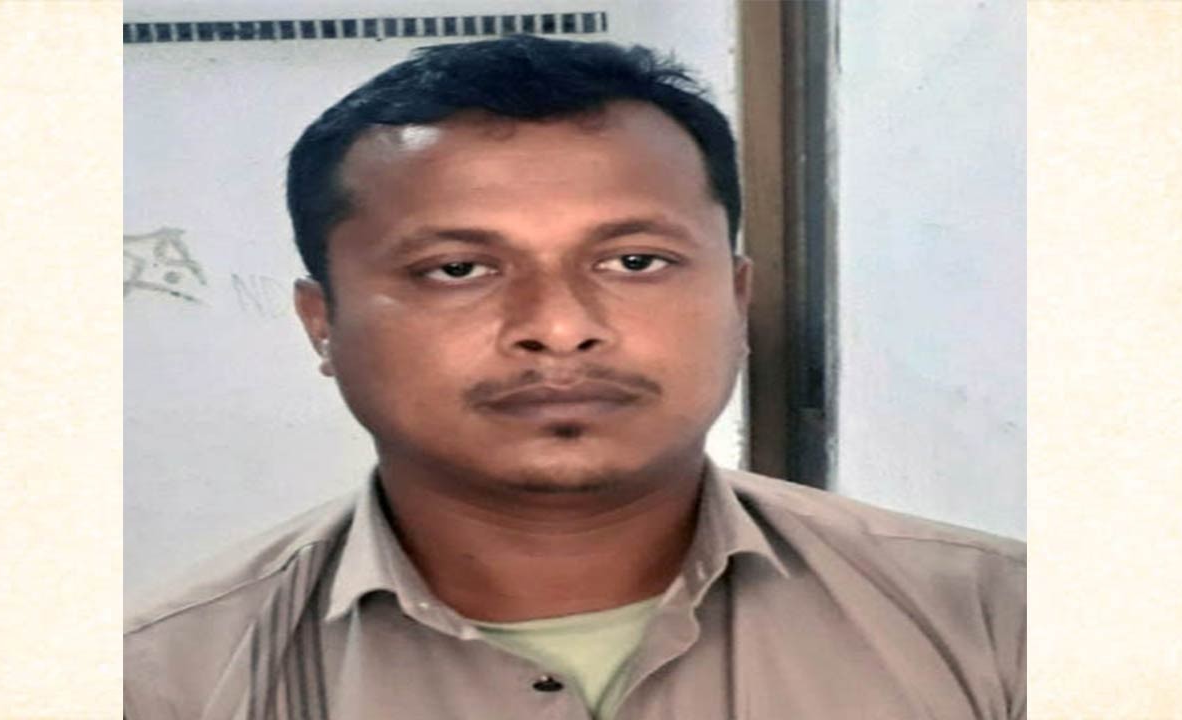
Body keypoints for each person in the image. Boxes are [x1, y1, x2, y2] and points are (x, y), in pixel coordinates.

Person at [124, 35, 1025, 720]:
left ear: (736, 297)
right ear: (322, 323)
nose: (559, 328)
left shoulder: (1003, 628)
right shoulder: (157, 683)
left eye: (635, 261)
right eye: (457, 270)